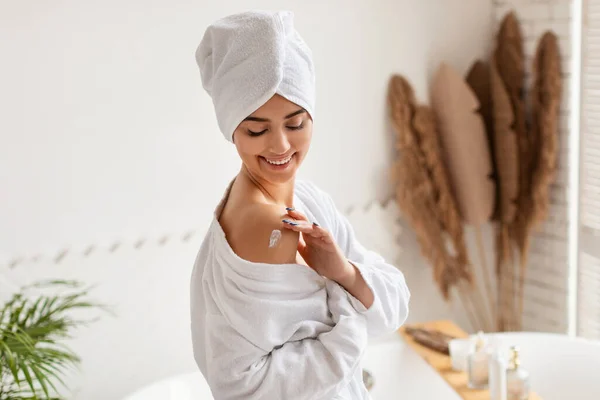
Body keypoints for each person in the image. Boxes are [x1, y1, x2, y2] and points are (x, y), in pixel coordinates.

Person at [190, 10, 410, 400]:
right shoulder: (266, 225)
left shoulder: (308, 199)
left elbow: (395, 301)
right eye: (257, 129)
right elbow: (245, 385)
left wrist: (342, 270)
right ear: (231, 129)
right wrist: (350, 323)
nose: (280, 146)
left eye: (295, 124)